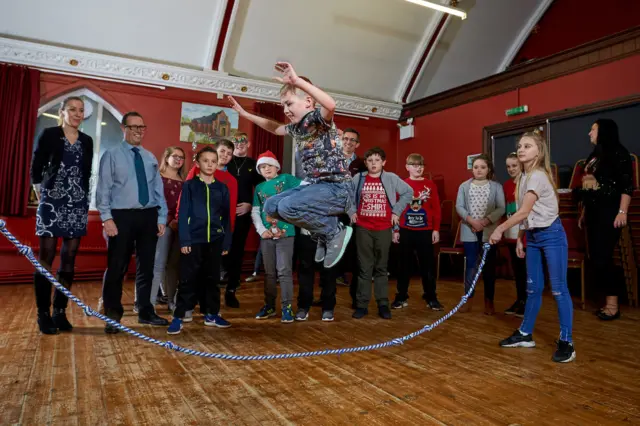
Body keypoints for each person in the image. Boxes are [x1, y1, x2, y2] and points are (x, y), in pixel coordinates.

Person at [228, 62, 353, 269]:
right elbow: (275, 128)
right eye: (283, 105)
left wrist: (298, 82)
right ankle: (323, 232)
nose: (285, 110)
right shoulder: (297, 129)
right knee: (270, 206)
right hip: (314, 186)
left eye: (289, 103)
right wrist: (246, 115)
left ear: (308, 101)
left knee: (287, 206)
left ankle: (333, 231)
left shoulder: (317, 119)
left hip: (336, 187)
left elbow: (330, 105)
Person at [490, 130, 575, 363]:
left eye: (527, 146)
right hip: (534, 237)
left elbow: (524, 211)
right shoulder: (524, 178)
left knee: (558, 289)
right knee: (532, 288)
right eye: (520, 145)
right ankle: (525, 334)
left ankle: (567, 341)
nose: (521, 149)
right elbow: (528, 216)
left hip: (552, 235)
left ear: (539, 151)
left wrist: (500, 229)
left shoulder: (537, 175)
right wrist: (520, 237)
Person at [96, 111, 169, 333]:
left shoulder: (149, 157)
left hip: (148, 215)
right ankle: (113, 314)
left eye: (142, 127)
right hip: (121, 217)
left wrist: (161, 216)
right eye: (134, 127)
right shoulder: (112, 155)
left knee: (146, 267)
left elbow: (158, 190)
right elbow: (103, 189)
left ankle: (146, 311)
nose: (139, 131)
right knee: (117, 267)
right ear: (124, 128)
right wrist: (106, 218)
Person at [30, 96, 94, 334]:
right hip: (52, 201)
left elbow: (86, 173)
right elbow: (36, 167)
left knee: (69, 258)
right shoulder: (49, 134)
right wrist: (42, 194)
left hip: (77, 203)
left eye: (80, 110)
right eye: (72, 110)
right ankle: (43, 314)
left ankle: (59, 311)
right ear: (62, 111)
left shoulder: (87, 140)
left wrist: (83, 198)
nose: (77, 114)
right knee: (46, 256)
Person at [167, 146, 232, 334]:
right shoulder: (190, 186)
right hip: (194, 240)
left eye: (213, 161)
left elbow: (226, 218)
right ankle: (179, 316)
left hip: (216, 240)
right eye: (206, 161)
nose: (210, 164)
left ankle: (212, 314)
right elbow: (184, 213)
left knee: (212, 278)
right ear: (198, 163)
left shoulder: (222, 188)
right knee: (188, 278)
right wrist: (185, 241)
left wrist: (226, 241)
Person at [349, 147, 413, 319]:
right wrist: (351, 211)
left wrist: (396, 212)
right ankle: (361, 305)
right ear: (366, 163)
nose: (373, 164)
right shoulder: (358, 178)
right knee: (364, 267)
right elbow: (346, 195)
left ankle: (383, 304)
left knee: (381, 268)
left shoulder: (391, 178)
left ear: (383, 162)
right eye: (370, 160)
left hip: (384, 228)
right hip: (363, 227)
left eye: (377, 160)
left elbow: (408, 192)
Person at [578, 119, 632, 320]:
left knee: (604, 256)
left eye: (592, 129)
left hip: (610, 211)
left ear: (603, 131)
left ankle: (613, 305)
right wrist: (584, 211)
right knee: (596, 257)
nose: (589, 133)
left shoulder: (619, 153)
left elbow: (627, 186)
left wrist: (622, 212)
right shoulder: (594, 155)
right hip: (593, 211)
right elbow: (588, 184)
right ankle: (605, 301)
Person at [251, 151, 301, 322]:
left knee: (284, 271)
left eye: (269, 165)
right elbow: (256, 211)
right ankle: (270, 305)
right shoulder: (259, 188)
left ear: (276, 166)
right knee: (270, 273)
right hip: (266, 235)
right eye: (263, 167)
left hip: (286, 233)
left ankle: (287, 307)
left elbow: (305, 186)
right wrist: (260, 230)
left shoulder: (286, 179)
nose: (267, 169)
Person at [392, 153, 443, 311]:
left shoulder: (430, 185)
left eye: (421, 165)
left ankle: (431, 296)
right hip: (405, 230)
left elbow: (436, 208)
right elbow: (395, 209)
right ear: (407, 167)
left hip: (425, 231)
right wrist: (395, 229)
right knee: (403, 266)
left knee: (427, 266)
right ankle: (401, 296)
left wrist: (436, 229)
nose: (418, 168)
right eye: (414, 165)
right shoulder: (401, 184)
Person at [455, 155, 505, 314]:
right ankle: (467, 298)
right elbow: (459, 206)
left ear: (488, 169)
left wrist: (484, 222)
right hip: (469, 230)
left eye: (482, 167)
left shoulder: (496, 187)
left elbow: (501, 208)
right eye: (476, 167)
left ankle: (489, 301)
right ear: (472, 168)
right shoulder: (464, 186)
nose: (479, 170)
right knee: (470, 266)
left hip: (488, 231)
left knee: (489, 267)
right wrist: (472, 221)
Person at [224, 132, 263, 308]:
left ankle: (231, 289)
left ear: (248, 144)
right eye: (236, 141)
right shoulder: (224, 161)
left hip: (242, 215)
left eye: (243, 141)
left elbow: (263, 189)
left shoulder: (254, 165)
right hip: (221, 214)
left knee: (237, 251)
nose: (240, 144)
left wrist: (250, 205)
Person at [151, 146, 186, 312]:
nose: (179, 160)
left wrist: (177, 220)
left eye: (182, 157)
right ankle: (148, 302)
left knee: (173, 265)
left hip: (178, 226)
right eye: (175, 156)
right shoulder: (157, 176)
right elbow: (153, 201)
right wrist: (167, 220)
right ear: (166, 157)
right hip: (161, 224)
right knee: (157, 263)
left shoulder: (183, 180)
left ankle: (171, 299)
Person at [503, 152, 527, 317]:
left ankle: (526, 302)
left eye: (514, 166)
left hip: (524, 234)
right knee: (517, 271)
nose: (511, 169)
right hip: (510, 233)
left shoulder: (527, 182)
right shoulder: (506, 185)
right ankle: (519, 299)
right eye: (508, 166)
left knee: (526, 271)